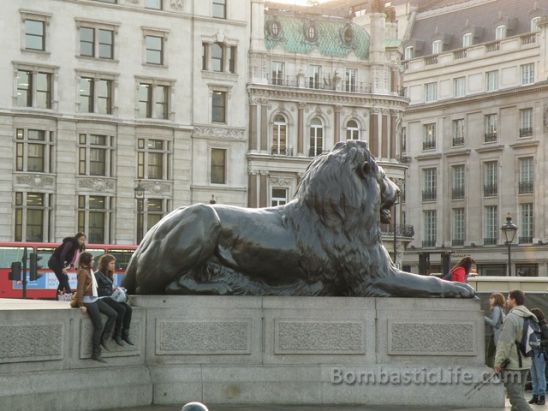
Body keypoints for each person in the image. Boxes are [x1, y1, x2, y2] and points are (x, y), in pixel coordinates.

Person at [494, 290, 537, 411]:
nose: (507, 301)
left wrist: (498, 362)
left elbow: (504, 343)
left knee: (516, 398)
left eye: (508, 298)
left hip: (513, 365)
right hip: (526, 363)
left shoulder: (512, 317)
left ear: (513, 300)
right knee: (517, 400)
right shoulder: (530, 316)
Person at [72, 252, 117, 363]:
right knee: (99, 326)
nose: (93, 261)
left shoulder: (90, 271)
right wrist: (81, 305)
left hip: (95, 299)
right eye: (91, 260)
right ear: (86, 261)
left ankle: (104, 339)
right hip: (88, 301)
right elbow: (80, 289)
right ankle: (95, 353)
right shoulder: (82, 272)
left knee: (113, 314)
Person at [95, 254, 134, 346]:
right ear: (105, 264)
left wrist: (119, 291)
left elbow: (110, 289)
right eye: (111, 263)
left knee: (129, 308)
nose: (113, 265)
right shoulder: (97, 275)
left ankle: (125, 333)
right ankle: (117, 335)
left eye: (114, 263)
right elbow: (95, 290)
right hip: (102, 299)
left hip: (110, 298)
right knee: (121, 309)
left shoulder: (109, 275)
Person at [529, 308, 548, 405]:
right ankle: (535, 395)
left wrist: (540, 343)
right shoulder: (533, 326)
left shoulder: (543, 326)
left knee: (540, 376)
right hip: (533, 353)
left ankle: (542, 396)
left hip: (539, 354)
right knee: (534, 376)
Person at [484, 292, 505, 367]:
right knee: (492, 355)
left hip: (496, 336)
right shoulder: (500, 309)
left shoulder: (496, 308)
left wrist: (483, 317)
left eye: (492, 298)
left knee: (491, 355)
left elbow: (494, 323)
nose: (490, 300)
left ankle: (492, 372)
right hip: (496, 335)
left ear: (496, 299)